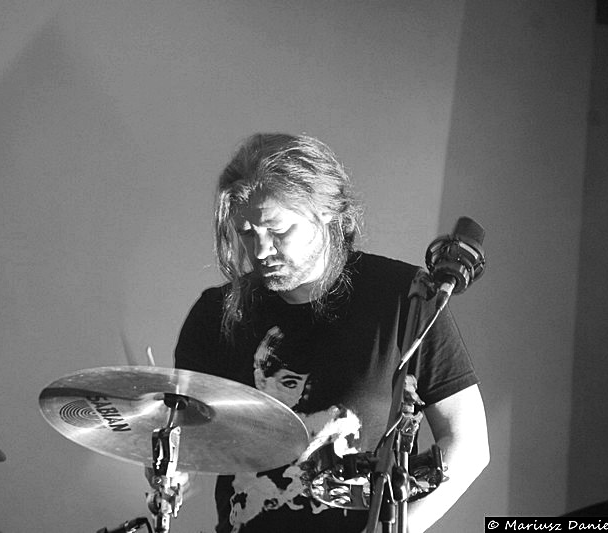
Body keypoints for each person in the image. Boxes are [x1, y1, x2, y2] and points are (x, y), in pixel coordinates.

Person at [174, 133, 489, 533]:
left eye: (277, 230)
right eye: (247, 232)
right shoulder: (216, 314)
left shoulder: (407, 298)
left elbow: (468, 443)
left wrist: (399, 529)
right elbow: (185, 435)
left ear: (326, 212)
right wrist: (172, 467)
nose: (261, 250)